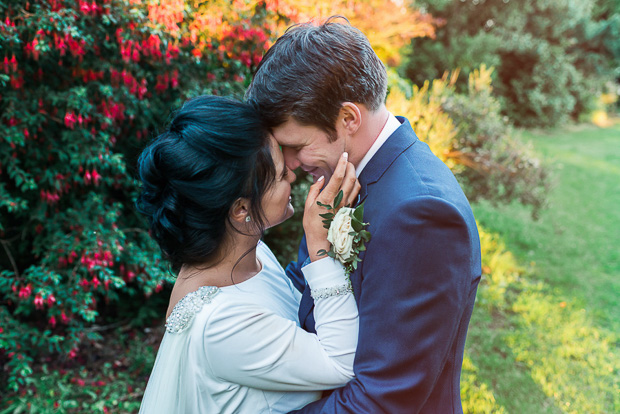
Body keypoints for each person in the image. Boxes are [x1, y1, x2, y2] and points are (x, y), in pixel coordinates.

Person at [245, 16, 482, 413]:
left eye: (296, 144)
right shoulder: (345, 180)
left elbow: (381, 399)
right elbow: (307, 296)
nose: (288, 163)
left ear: (349, 118)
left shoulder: (421, 215)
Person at [136, 95, 362, 413]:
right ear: (241, 209)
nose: (294, 176)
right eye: (282, 175)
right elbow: (341, 364)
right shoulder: (222, 325)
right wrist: (321, 246)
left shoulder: (248, 255)